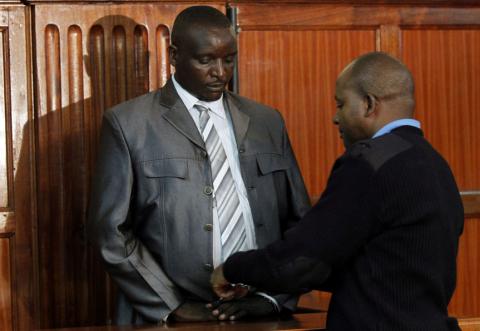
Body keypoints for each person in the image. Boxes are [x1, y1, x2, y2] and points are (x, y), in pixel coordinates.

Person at [87, 5, 310, 325]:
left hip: (258, 313)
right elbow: (110, 231)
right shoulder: (128, 123)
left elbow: (299, 222)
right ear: (174, 55)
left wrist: (274, 298)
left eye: (229, 59)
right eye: (205, 60)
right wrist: (171, 305)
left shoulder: (266, 121)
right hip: (168, 318)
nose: (220, 71)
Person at [212, 52, 464, 331]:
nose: (335, 118)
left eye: (341, 104)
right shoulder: (437, 165)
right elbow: (372, 264)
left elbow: (302, 259)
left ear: (369, 104)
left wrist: (231, 269)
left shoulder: (369, 162)